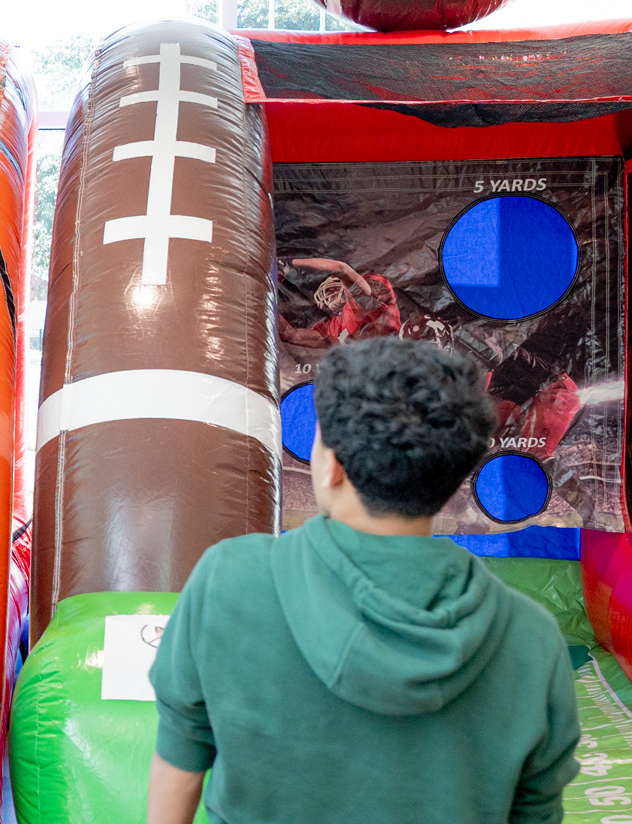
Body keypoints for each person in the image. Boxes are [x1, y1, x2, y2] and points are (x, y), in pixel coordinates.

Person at [147, 336, 578, 824]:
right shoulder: (532, 640)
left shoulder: (229, 581)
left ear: (331, 464)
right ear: (453, 477)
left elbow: (179, 768)